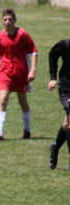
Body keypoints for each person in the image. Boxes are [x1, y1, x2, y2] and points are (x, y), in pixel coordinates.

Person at [0, 9, 38, 141]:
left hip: (20, 73)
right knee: (2, 99)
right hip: (5, 73)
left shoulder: (22, 34)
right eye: (5, 19)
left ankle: (26, 129)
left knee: (23, 102)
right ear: (2, 21)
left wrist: (32, 70)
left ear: (15, 20)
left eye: (10, 19)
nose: (7, 22)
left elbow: (33, 52)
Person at [48, 40, 70, 170]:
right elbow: (53, 53)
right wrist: (53, 77)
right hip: (67, 88)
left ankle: (55, 148)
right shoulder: (66, 45)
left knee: (67, 125)